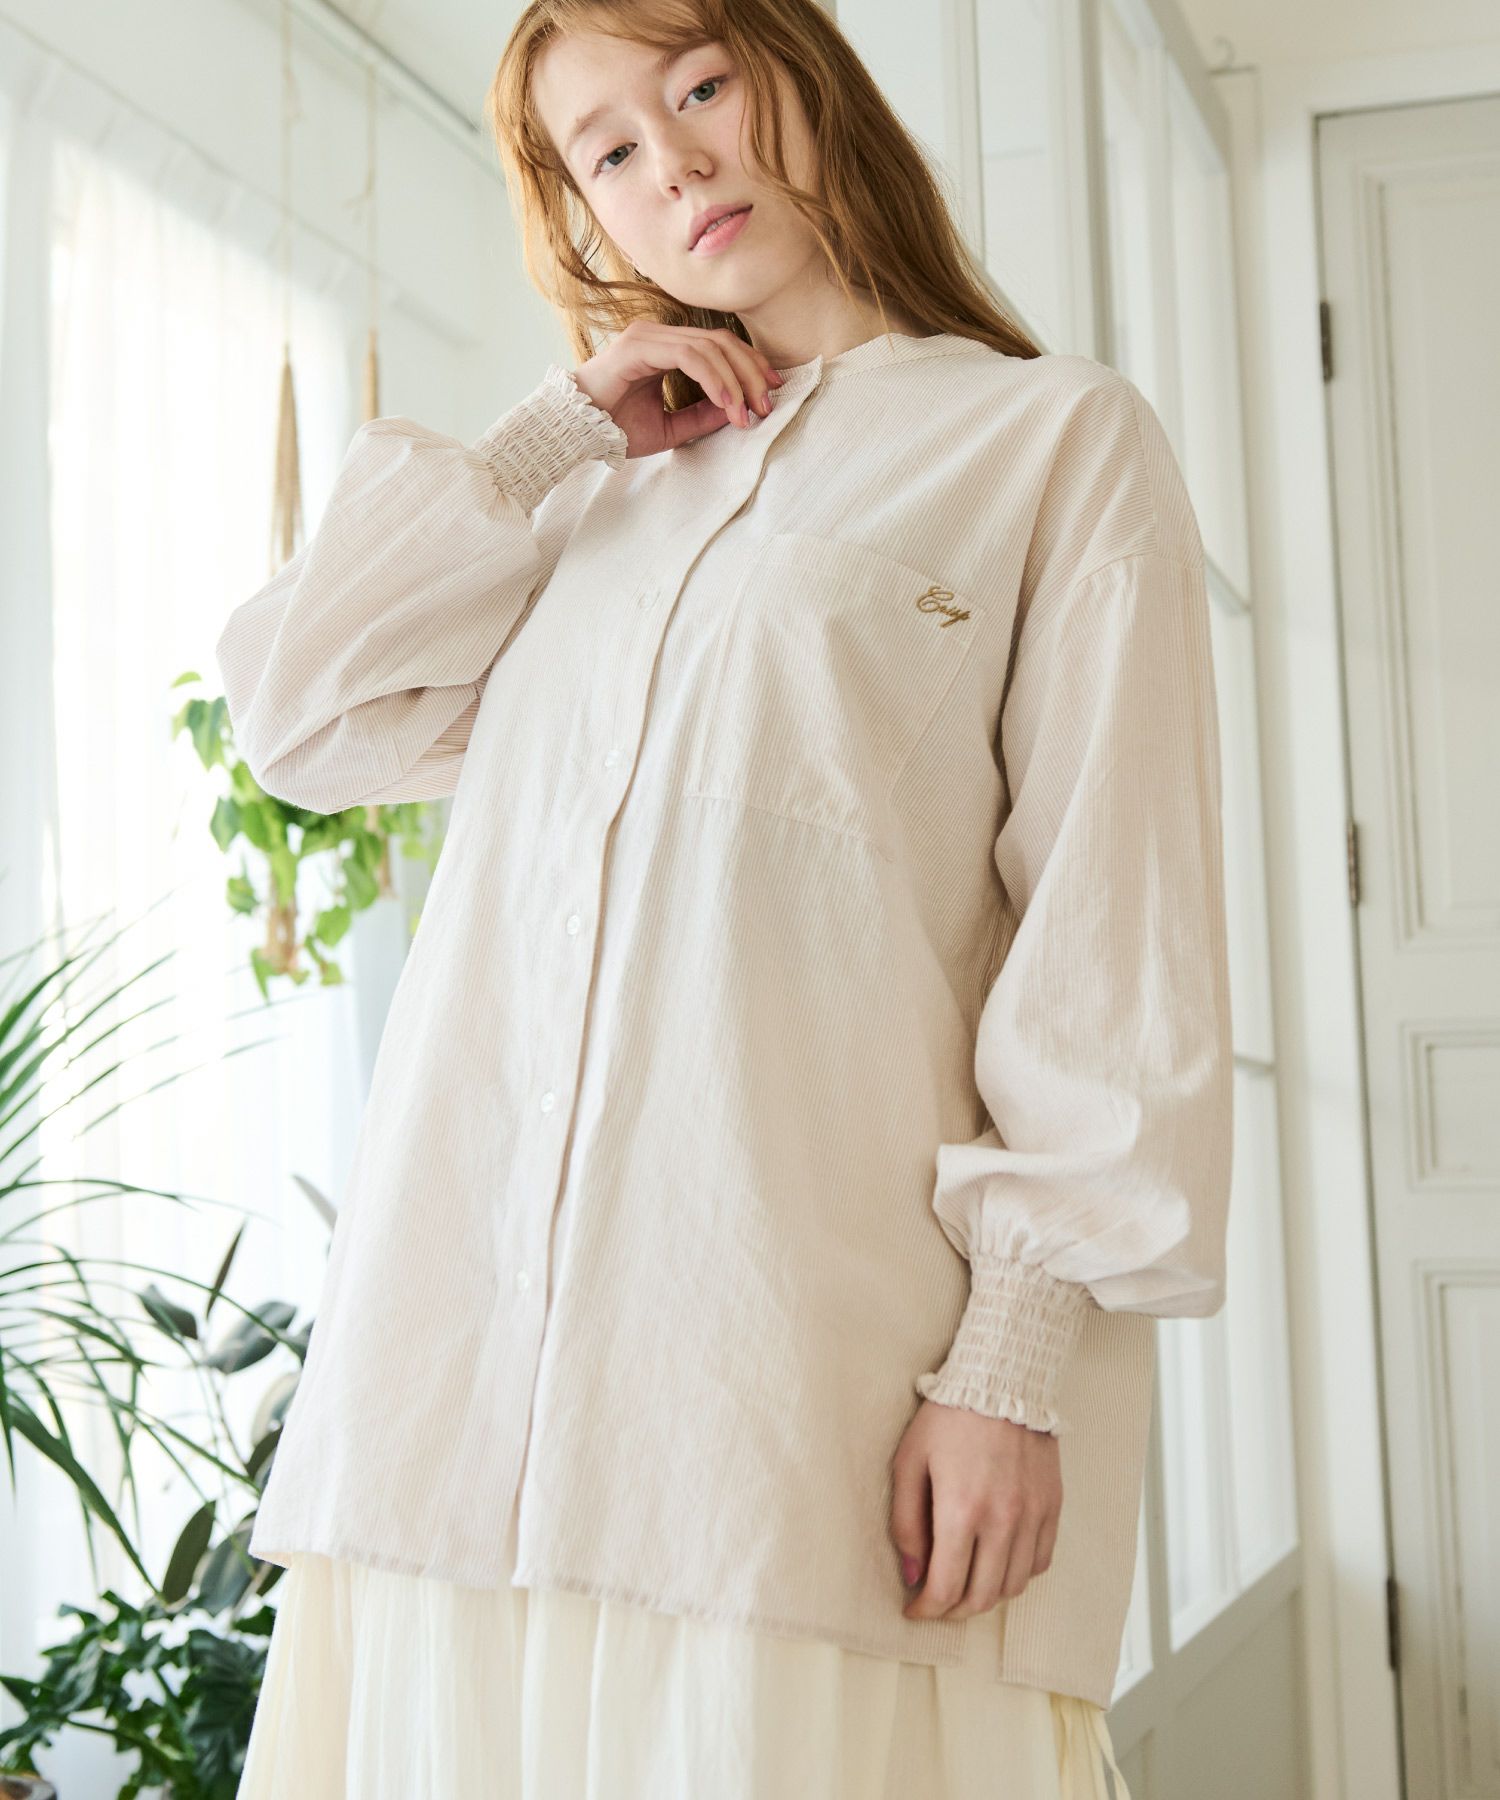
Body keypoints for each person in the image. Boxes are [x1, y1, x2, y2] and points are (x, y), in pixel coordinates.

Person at [227, 0, 1233, 1794]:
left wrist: (1008, 1369)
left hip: (786, 1394)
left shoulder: (1049, 443)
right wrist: (553, 434)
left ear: (804, 76)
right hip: (448, 1412)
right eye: (609, 148)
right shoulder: (579, 498)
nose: (676, 160)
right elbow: (298, 716)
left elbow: (1110, 935)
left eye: (701, 84)